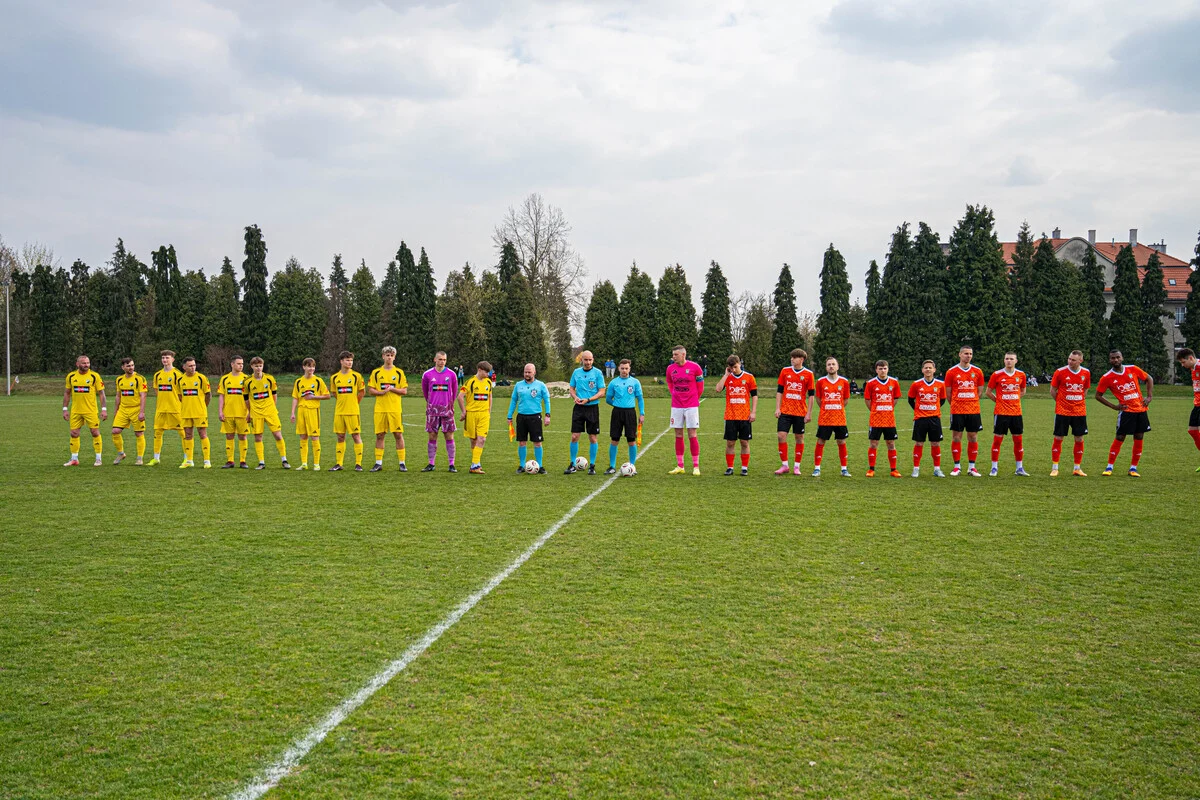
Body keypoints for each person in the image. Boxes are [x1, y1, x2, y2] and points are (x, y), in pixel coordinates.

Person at [1095, 350, 1153, 477]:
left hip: (1141, 410)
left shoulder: (1132, 369)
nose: (1115, 360)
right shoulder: (1107, 377)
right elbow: (1098, 395)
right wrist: (1114, 407)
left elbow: (1149, 378)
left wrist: (1149, 397)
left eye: (1117, 357)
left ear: (1122, 357)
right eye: (1112, 358)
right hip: (1126, 411)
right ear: (1109, 360)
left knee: (1139, 437)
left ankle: (1133, 468)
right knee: (1120, 437)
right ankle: (1109, 466)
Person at [1049, 350, 1091, 477]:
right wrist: (1062, 402)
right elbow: (1052, 390)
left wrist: (1076, 401)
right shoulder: (1060, 372)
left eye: (1073, 360)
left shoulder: (1086, 373)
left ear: (1080, 361)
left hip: (1079, 412)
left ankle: (1077, 468)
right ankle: (1055, 467)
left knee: (1079, 438)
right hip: (1062, 411)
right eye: (1069, 359)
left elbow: (1085, 389)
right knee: (1058, 438)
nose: (1070, 361)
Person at [945, 345, 986, 476]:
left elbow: (979, 391)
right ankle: (956, 466)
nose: (968, 356)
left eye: (970, 354)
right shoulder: (951, 372)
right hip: (957, 410)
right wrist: (957, 403)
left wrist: (971, 401)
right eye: (966, 353)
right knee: (956, 437)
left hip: (973, 409)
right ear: (960, 355)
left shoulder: (978, 371)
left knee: (973, 437)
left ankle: (972, 467)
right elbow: (948, 393)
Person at [986, 352, 1029, 476]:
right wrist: (999, 401)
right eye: (1006, 359)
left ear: (1016, 361)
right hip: (1001, 413)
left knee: (1018, 440)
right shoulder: (997, 374)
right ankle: (994, 468)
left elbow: (1023, 391)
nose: (1009, 361)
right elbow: (988, 392)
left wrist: (1013, 400)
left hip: (1016, 413)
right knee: (997, 440)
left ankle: (1019, 468)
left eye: (1011, 359)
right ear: (1004, 361)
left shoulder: (1021, 375)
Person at [367, 346, 408, 472]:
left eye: (391, 355)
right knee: (380, 435)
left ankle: (402, 463)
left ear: (394, 357)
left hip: (395, 409)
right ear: (383, 356)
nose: (389, 357)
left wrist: (392, 389)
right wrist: (380, 392)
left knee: (398, 434)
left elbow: (404, 391)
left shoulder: (399, 373)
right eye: (387, 355)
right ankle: (378, 463)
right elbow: (371, 390)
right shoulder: (376, 373)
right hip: (380, 409)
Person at [774, 348, 815, 475]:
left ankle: (797, 466)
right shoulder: (785, 371)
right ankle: (784, 465)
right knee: (781, 436)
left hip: (800, 412)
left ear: (801, 359)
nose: (792, 359)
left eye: (795, 357)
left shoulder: (808, 374)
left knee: (799, 437)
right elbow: (779, 391)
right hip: (785, 411)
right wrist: (777, 408)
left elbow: (811, 395)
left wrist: (809, 413)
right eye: (791, 357)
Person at [715, 354, 757, 475]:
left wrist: (753, 412)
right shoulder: (728, 377)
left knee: (744, 442)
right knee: (730, 442)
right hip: (730, 416)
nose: (733, 369)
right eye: (730, 367)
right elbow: (718, 389)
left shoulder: (749, 377)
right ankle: (730, 467)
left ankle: (744, 467)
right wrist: (726, 375)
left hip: (744, 416)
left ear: (739, 364)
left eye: (735, 367)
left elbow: (754, 395)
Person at [666, 346, 705, 475]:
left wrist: (694, 398)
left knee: (692, 434)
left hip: (691, 405)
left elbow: (700, 386)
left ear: (683, 354)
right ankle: (680, 466)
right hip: (676, 405)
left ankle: (696, 466)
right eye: (673, 355)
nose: (674, 357)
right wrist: (674, 393)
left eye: (676, 354)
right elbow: (669, 382)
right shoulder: (670, 369)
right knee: (678, 434)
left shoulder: (695, 367)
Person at [62, 354, 107, 466]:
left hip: (91, 410)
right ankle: (74, 459)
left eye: (88, 363)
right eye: (84, 363)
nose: (86, 365)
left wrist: (104, 409)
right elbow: (67, 393)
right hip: (76, 411)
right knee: (74, 433)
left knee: (95, 432)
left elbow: (101, 393)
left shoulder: (94, 376)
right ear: (77, 364)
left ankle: (98, 458)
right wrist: (65, 409)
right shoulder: (71, 376)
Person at [565, 350, 606, 474]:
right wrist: (575, 397)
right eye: (585, 359)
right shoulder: (576, 373)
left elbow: (602, 391)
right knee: (574, 436)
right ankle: (572, 464)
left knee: (593, 438)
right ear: (581, 360)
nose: (587, 362)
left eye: (590, 360)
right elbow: (571, 388)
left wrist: (588, 399)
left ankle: (592, 466)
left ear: (593, 360)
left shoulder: (598, 373)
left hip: (592, 408)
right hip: (578, 408)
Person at [245, 356, 289, 469]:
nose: (258, 368)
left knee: (278, 435)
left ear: (263, 366)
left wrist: (272, 409)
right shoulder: (247, 382)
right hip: (256, 413)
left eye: (260, 366)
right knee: (258, 437)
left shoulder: (269, 379)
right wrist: (249, 412)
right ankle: (261, 462)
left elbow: (274, 395)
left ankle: (284, 460)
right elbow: (246, 399)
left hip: (270, 412)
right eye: (256, 366)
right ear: (251, 367)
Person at [507, 362, 551, 474]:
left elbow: (547, 400)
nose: (527, 374)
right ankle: (522, 466)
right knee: (522, 442)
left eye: (529, 372)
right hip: (521, 417)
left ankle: (540, 466)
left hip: (535, 417)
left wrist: (547, 415)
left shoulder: (541, 385)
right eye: (525, 372)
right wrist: (509, 415)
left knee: (537, 442)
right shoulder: (518, 385)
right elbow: (513, 401)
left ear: (534, 372)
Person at [812, 356, 851, 477]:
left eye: (833, 364)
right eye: (829, 364)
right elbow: (818, 399)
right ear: (826, 367)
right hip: (825, 418)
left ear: (837, 366)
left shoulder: (844, 382)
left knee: (841, 442)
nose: (831, 366)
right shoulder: (820, 382)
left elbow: (845, 399)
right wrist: (826, 408)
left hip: (840, 418)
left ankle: (844, 469)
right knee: (821, 441)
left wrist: (836, 407)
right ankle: (817, 468)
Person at [421, 351, 460, 472]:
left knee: (449, 436)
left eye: (444, 360)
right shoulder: (427, 374)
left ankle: (451, 464)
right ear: (435, 360)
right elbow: (425, 391)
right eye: (440, 359)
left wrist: (448, 404)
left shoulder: (452, 374)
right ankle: (431, 463)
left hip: (447, 411)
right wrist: (432, 403)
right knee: (432, 436)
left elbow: (454, 391)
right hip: (432, 411)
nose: (442, 362)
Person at [862, 360, 902, 478]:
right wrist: (875, 410)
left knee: (891, 443)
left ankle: (893, 470)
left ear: (888, 369)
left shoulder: (894, 382)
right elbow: (867, 400)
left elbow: (895, 398)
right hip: (875, 419)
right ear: (876, 370)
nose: (882, 370)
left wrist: (887, 408)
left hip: (889, 419)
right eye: (880, 368)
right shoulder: (871, 383)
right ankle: (871, 469)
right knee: (873, 444)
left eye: (884, 368)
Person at [907, 359, 947, 478]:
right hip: (920, 418)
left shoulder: (940, 384)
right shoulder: (916, 384)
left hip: (934, 418)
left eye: (930, 368)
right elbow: (910, 399)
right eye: (926, 368)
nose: (928, 369)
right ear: (922, 370)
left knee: (935, 443)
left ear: (934, 370)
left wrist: (934, 408)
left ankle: (937, 469)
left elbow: (943, 400)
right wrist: (918, 410)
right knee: (919, 443)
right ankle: (916, 469)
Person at [604, 358, 644, 474]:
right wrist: (616, 404)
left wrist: (642, 413)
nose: (624, 371)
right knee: (614, 439)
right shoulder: (613, 383)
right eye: (622, 368)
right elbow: (608, 399)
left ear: (629, 369)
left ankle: (632, 466)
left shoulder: (635, 382)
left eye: (626, 368)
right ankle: (612, 466)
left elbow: (640, 399)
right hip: (617, 413)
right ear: (618, 369)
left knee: (631, 440)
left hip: (630, 413)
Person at [329, 350, 366, 471]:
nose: (350, 362)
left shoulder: (356, 376)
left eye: (351, 360)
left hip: (353, 411)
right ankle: (339, 463)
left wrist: (354, 403)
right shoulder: (335, 377)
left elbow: (362, 391)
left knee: (356, 436)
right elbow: (334, 393)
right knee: (340, 437)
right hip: (339, 412)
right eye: (347, 360)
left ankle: (358, 464)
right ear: (341, 361)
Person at [291, 357, 330, 470]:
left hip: (313, 411)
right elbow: (295, 398)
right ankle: (304, 463)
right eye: (309, 366)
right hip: (301, 411)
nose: (311, 369)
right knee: (303, 436)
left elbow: (327, 396)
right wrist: (293, 412)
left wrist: (314, 397)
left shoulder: (318, 381)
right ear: (304, 367)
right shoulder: (298, 381)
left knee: (314, 437)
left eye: (313, 366)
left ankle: (316, 464)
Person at [148, 350, 183, 466]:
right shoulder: (157, 375)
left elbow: (181, 393)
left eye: (167, 358)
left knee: (183, 433)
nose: (165, 360)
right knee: (157, 433)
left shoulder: (177, 374)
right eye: (163, 358)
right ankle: (156, 458)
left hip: (175, 409)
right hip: (161, 409)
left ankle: (187, 458)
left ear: (173, 359)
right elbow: (157, 391)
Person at [110, 357, 147, 465]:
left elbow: (143, 395)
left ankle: (139, 458)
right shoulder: (119, 379)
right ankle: (121, 453)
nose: (131, 367)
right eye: (128, 366)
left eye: (132, 365)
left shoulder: (140, 378)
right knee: (115, 431)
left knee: (139, 433)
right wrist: (116, 410)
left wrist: (141, 412)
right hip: (123, 409)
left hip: (136, 409)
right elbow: (118, 396)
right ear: (123, 367)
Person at [177, 356, 212, 469]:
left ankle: (207, 461)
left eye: (194, 365)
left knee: (202, 434)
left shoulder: (201, 378)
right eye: (190, 366)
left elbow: (208, 394)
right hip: (186, 412)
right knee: (188, 435)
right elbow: (180, 396)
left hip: (200, 412)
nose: (193, 367)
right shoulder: (180, 380)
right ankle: (189, 460)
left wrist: (203, 406)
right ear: (184, 367)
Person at [460, 361, 494, 474]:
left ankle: (474, 465)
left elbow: (490, 396)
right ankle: (476, 465)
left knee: (482, 439)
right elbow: (460, 397)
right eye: (486, 371)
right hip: (472, 414)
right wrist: (464, 412)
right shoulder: (470, 382)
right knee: (474, 440)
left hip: (484, 414)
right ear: (479, 369)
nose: (488, 374)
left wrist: (489, 411)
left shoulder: (488, 382)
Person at [217, 355, 251, 468]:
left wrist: (250, 412)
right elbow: (221, 396)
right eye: (238, 363)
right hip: (228, 413)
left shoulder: (247, 379)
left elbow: (250, 397)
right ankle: (230, 461)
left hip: (242, 413)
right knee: (229, 436)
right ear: (232, 364)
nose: (241, 365)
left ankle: (243, 461)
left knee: (243, 436)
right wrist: (220, 411)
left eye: (242, 363)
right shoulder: (225, 379)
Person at [1178, 348, 1200, 470]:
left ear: (1190, 358)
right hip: (1197, 405)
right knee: (1192, 431)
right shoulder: (1193, 368)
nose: (1182, 365)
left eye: (1183, 362)